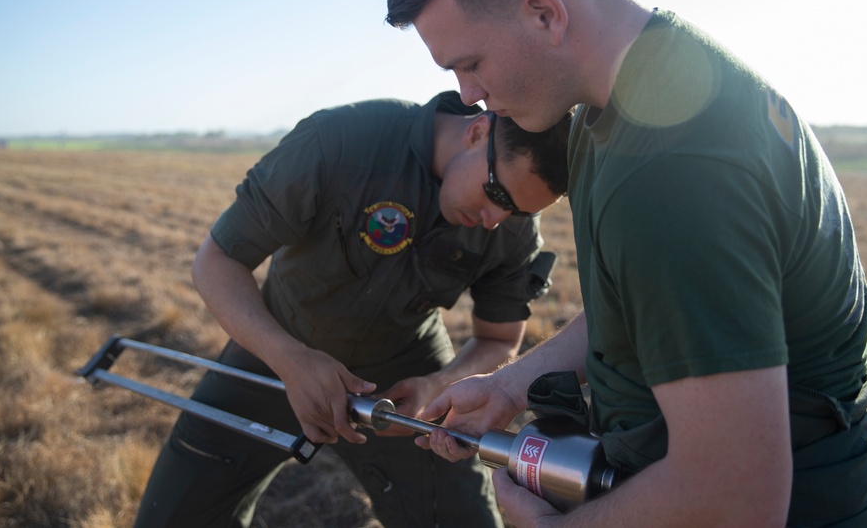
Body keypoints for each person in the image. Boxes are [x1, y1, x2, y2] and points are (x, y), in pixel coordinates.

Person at [385, 0, 867, 527]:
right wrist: (509, 384)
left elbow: (736, 496)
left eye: (470, 61)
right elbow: (653, 301)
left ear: (545, 13)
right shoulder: (629, 101)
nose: (467, 95)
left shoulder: (672, 169)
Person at [132, 91, 572, 528]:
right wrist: (290, 360)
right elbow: (216, 261)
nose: (494, 219)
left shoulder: (512, 230)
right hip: (275, 345)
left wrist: (438, 383)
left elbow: (499, 338)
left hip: (402, 375)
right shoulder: (341, 141)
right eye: (496, 192)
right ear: (477, 132)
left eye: (515, 209)